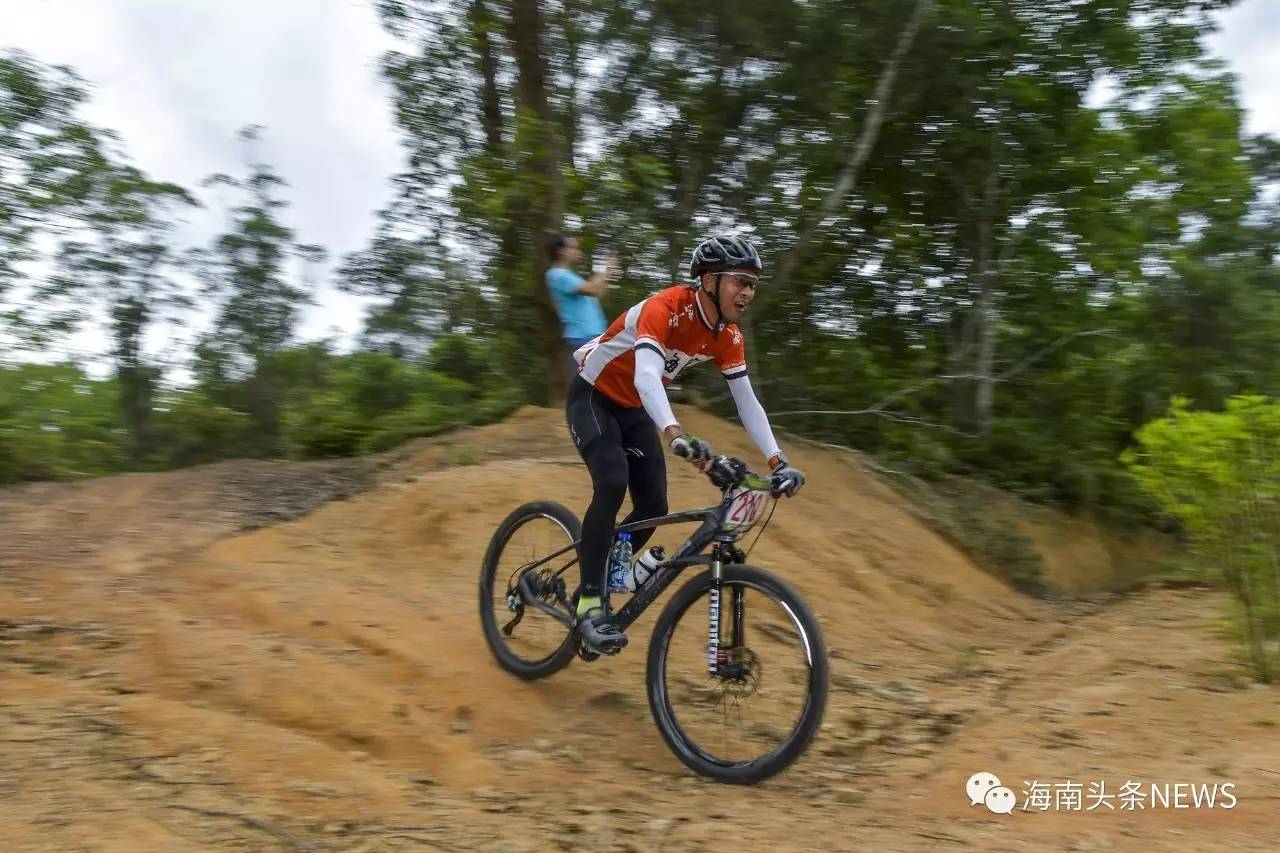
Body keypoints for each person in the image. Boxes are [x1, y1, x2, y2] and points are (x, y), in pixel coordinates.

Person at [564, 234, 806, 655]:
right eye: (739, 281)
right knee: (611, 482)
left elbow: (747, 402)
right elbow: (645, 376)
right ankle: (587, 604)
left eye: (753, 283)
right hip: (594, 396)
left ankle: (602, 577)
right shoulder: (666, 308)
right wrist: (675, 434)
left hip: (635, 408)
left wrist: (778, 460)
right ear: (710, 281)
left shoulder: (727, 336)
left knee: (654, 505)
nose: (747, 291)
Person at [545, 234, 617, 353]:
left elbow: (597, 294)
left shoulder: (569, 276)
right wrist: (605, 268)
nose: (577, 251)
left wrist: (608, 273)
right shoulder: (558, 275)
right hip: (584, 336)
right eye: (572, 247)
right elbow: (592, 289)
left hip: (591, 335)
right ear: (560, 251)